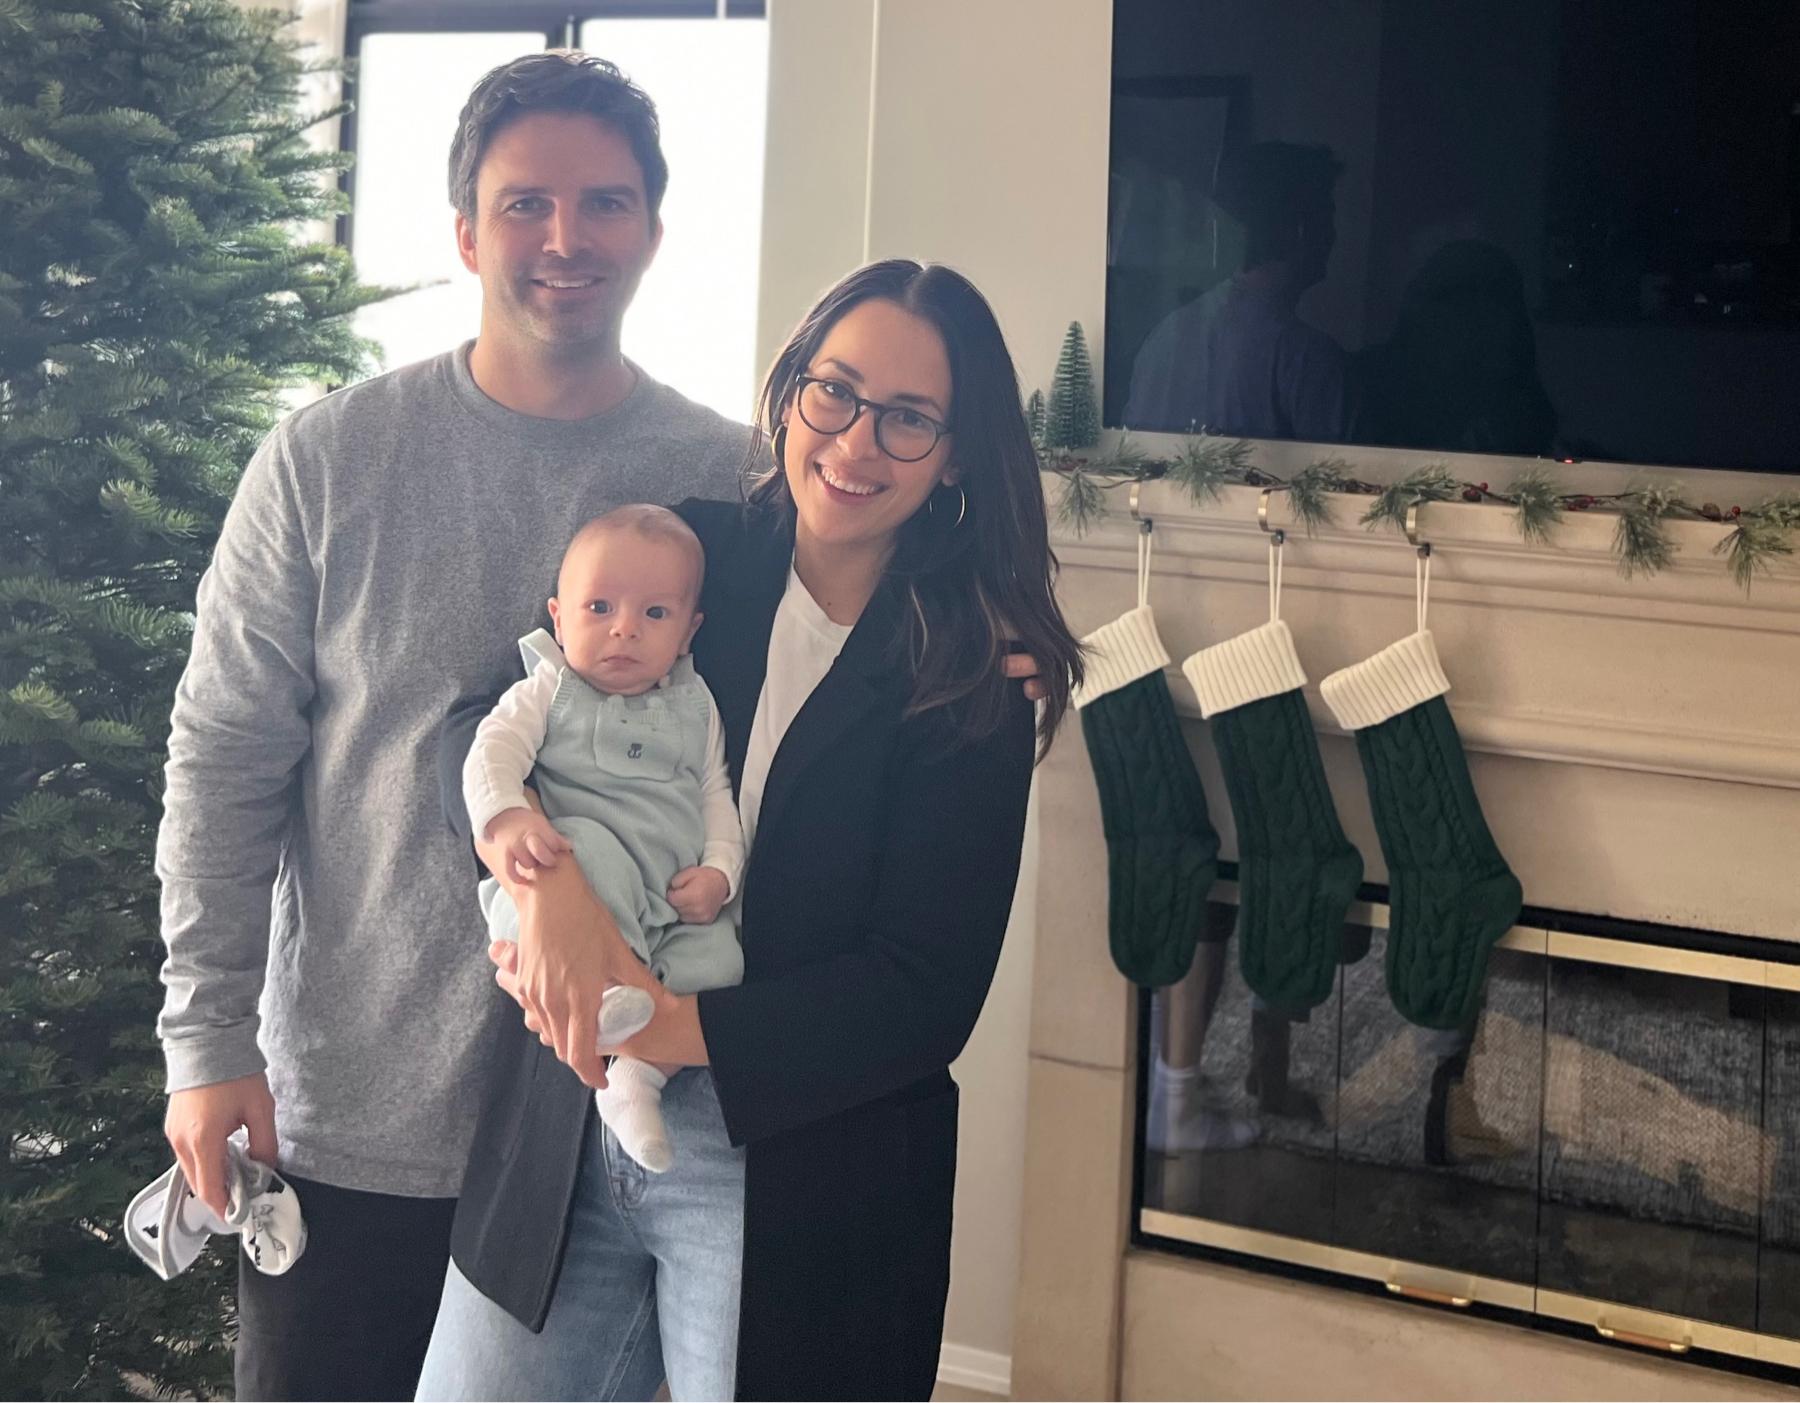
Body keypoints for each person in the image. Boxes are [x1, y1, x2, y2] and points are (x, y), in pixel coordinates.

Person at [153, 53, 753, 1400]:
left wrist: (994, 649)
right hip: (352, 1117)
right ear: (469, 232)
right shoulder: (325, 461)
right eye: (525, 202)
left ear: (652, 230)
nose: (565, 237)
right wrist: (207, 1040)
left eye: (605, 202)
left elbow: (844, 663)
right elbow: (224, 763)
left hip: (600, 1150)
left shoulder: (728, 480)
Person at [417, 259, 1085, 1401]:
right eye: (836, 391)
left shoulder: (972, 667)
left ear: (958, 454)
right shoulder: (689, 554)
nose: (856, 441)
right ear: (791, 391)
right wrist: (546, 889)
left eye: (908, 418)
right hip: (568, 1134)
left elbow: (924, 990)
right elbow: (479, 728)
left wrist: (661, 1022)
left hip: (797, 1168)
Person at [464, 505, 746, 1173]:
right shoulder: (548, 687)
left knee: (723, 962)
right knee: (585, 847)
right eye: (599, 608)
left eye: (655, 613)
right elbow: (489, 752)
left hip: (668, 899)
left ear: (688, 631)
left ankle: (637, 1078)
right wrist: (510, 821)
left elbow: (716, 792)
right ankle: (601, 1005)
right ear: (559, 619)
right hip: (575, 884)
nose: (624, 628)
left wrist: (720, 871)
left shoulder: (697, 705)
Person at [1123, 141, 1354, 443]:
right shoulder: (1307, 359)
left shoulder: (1165, 336)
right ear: (1302, 230)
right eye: (1328, 217)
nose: (1334, 235)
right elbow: (1344, 470)